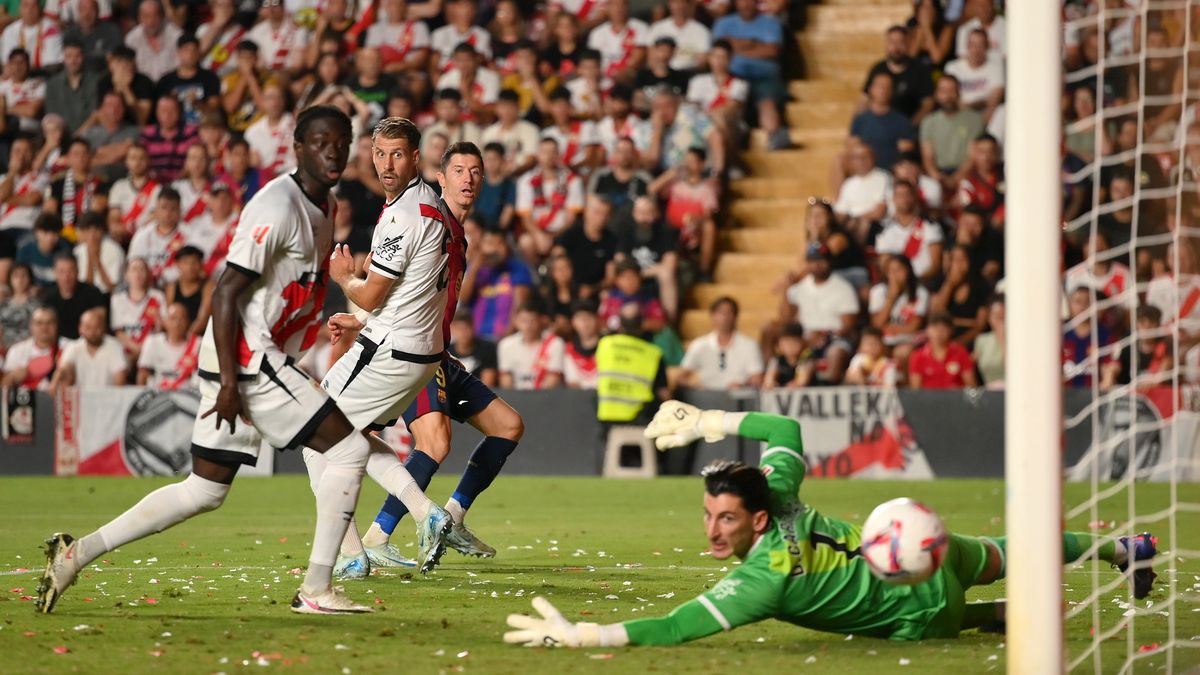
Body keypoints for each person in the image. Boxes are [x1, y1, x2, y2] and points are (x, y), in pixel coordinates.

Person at [35, 106, 388, 617]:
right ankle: (317, 588)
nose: (332, 151)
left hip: (254, 357)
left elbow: (289, 294)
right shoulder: (277, 206)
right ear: (298, 148)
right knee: (350, 450)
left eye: (341, 142)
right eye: (320, 141)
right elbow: (225, 292)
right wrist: (229, 382)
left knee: (203, 490)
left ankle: (76, 554)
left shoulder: (325, 206)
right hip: (246, 359)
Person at [502, 402, 1158, 647]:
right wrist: (708, 420)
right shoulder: (779, 490)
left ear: (758, 518)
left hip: (923, 611)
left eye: (725, 518)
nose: (713, 530)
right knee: (1009, 552)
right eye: (708, 514)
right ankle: (1122, 546)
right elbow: (784, 429)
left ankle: (997, 616)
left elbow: (674, 626)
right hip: (924, 545)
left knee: (956, 616)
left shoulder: (762, 581)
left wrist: (586, 634)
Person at [324, 142, 526, 575]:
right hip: (412, 353)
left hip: (436, 351)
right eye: (459, 170)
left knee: (508, 426)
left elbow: (412, 294)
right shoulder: (428, 220)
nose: (468, 178)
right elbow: (390, 284)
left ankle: (451, 518)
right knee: (431, 442)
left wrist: (360, 319)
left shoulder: (458, 234)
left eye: (475, 171)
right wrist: (361, 316)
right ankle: (378, 536)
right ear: (440, 178)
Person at [516, 137, 585, 261]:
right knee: (525, 242)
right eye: (544, 152)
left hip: (563, 232)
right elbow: (526, 216)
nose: (549, 156)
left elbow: (571, 218)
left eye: (553, 152)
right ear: (538, 155)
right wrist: (539, 235)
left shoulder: (572, 180)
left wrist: (553, 237)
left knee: (561, 249)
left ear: (559, 155)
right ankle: (534, 272)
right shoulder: (526, 180)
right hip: (537, 232)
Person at [595, 306, 668, 423]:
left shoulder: (605, 344)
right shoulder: (653, 353)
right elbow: (663, 393)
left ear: (620, 325)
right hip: (640, 418)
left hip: (606, 417)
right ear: (643, 324)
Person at [464, 227, 534, 341]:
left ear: (506, 246)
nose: (494, 249)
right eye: (489, 243)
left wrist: (505, 338)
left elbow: (519, 307)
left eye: (499, 244)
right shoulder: (476, 270)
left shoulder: (518, 269)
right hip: (476, 338)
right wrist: (475, 268)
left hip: (503, 337)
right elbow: (463, 298)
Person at [679, 297, 763, 389]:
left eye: (729, 313)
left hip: (738, 394)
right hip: (707, 394)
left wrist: (743, 385)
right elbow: (681, 377)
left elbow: (757, 378)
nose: (725, 317)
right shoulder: (699, 345)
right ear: (712, 316)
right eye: (721, 313)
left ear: (735, 316)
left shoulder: (749, 345)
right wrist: (694, 386)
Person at [919, 75, 983, 193]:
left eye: (951, 91)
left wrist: (957, 178)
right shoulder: (928, 122)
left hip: (966, 173)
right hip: (938, 175)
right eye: (943, 91)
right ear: (936, 94)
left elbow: (972, 156)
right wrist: (936, 176)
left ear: (959, 93)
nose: (947, 96)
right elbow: (927, 157)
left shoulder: (974, 119)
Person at [864, 25, 933, 122]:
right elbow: (864, 100)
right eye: (892, 42)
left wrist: (909, 126)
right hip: (880, 125)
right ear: (886, 45)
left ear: (908, 44)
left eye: (901, 42)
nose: (896, 47)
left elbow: (928, 104)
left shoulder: (920, 69)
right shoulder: (878, 69)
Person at [554, 193, 617, 293]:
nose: (602, 218)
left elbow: (610, 277)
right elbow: (556, 261)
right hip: (570, 288)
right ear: (586, 212)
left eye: (606, 214)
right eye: (597, 212)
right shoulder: (570, 235)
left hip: (596, 290)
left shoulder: (611, 240)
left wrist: (593, 289)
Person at [851, 72, 915, 171]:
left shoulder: (902, 121)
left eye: (887, 87)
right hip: (866, 171)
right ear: (871, 89)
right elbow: (853, 148)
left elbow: (905, 154)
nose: (883, 90)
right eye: (880, 86)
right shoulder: (860, 120)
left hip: (891, 171)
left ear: (892, 91)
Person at [50, 306, 126, 389]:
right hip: (81, 395)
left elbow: (120, 378)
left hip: (108, 395)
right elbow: (64, 369)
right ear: (80, 328)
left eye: (97, 327)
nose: (92, 332)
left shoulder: (114, 346)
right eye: (88, 327)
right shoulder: (73, 347)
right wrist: (55, 382)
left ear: (104, 327)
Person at [126, 187, 187, 285]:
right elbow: (133, 264)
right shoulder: (143, 234)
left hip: (176, 285)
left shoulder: (188, 234)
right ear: (156, 209)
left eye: (173, 209)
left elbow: (189, 267)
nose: (168, 213)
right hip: (145, 284)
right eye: (164, 207)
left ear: (179, 211)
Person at [944, 29, 1004, 124]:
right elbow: (946, 96)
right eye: (973, 44)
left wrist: (978, 125)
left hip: (984, 115)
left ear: (987, 47)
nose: (976, 49)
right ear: (967, 46)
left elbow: (995, 100)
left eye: (980, 45)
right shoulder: (952, 67)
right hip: (957, 115)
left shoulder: (996, 68)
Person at [109, 257, 164, 361]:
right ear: (126, 275)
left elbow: (160, 329)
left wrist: (146, 351)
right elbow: (119, 332)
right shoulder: (117, 299)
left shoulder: (158, 297)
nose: (138, 273)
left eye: (142, 269)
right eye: (134, 269)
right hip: (125, 352)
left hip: (151, 350)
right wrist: (138, 350)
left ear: (147, 274)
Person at [498, 303, 563, 390]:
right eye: (524, 321)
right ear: (515, 321)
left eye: (533, 320)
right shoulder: (506, 345)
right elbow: (506, 380)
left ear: (540, 321)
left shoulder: (554, 343)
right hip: (516, 395)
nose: (528, 325)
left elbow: (553, 379)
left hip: (546, 395)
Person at [136, 301, 199, 390]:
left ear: (188, 322)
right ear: (165, 321)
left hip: (186, 395)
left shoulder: (197, 344)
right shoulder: (152, 342)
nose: (177, 324)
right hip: (157, 394)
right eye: (173, 318)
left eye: (182, 319)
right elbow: (143, 374)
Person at [41, 253, 104, 340]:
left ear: (77, 271)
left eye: (70, 271)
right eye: (61, 271)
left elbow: (100, 322)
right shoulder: (48, 296)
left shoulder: (92, 293)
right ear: (55, 273)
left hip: (86, 342)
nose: (66, 277)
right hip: (57, 344)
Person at [1, 306, 66, 390]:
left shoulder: (69, 348)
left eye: (49, 323)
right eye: (39, 323)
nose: (44, 327)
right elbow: (4, 387)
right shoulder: (16, 350)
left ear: (56, 325)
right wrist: (13, 377)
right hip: (24, 397)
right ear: (31, 326)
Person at [106, 143, 161, 242]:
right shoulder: (118, 186)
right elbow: (113, 216)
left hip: (146, 238)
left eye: (141, 158)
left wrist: (129, 229)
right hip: (121, 238)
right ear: (126, 161)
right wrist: (116, 228)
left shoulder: (158, 189)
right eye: (133, 158)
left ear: (148, 161)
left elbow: (154, 218)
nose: (137, 162)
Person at [908, 313, 977, 389]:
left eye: (943, 329)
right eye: (935, 329)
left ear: (950, 331)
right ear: (927, 330)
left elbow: (971, 385)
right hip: (928, 396)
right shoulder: (918, 356)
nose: (938, 333)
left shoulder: (961, 352)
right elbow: (916, 390)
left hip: (955, 395)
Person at [0, 134, 47, 236]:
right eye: (17, 151)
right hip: (3, 228)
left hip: (26, 227)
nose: (21, 156)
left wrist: (5, 198)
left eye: (26, 151)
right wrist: (12, 173)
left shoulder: (40, 176)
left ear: (33, 154)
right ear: (10, 155)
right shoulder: (3, 179)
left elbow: (31, 200)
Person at [124, 0, 180, 82]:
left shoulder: (175, 35)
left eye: (155, 16)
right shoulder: (131, 40)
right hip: (144, 85)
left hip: (171, 84)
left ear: (162, 16)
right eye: (146, 16)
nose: (151, 21)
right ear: (139, 18)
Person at [17, 214, 71, 287]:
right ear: (36, 232)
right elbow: (19, 276)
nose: (50, 237)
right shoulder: (25, 251)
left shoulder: (66, 251)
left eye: (55, 233)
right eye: (46, 232)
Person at [762, 322, 812, 389]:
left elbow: (802, 381)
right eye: (786, 342)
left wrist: (797, 383)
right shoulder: (777, 360)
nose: (790, 347)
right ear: (779, 344)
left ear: (802, 342)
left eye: (794, 342)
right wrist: (770, 383)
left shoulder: (807, 358)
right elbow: (769, 379)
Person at [0, 263, 38, 347]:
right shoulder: (3, 305)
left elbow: (37, 332)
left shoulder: (37, 306)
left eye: (24, 275)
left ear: (30, 279)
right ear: (10, 279)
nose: (20, 280)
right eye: (16, 276)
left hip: (27, 348)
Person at [972, 295, 1004, 388]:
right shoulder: (982, 340)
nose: (1000, 321)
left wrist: (1002, 336)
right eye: (996, 316)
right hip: (989, 389)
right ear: (989, 318)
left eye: (1003, 316)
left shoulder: (1018, 340)